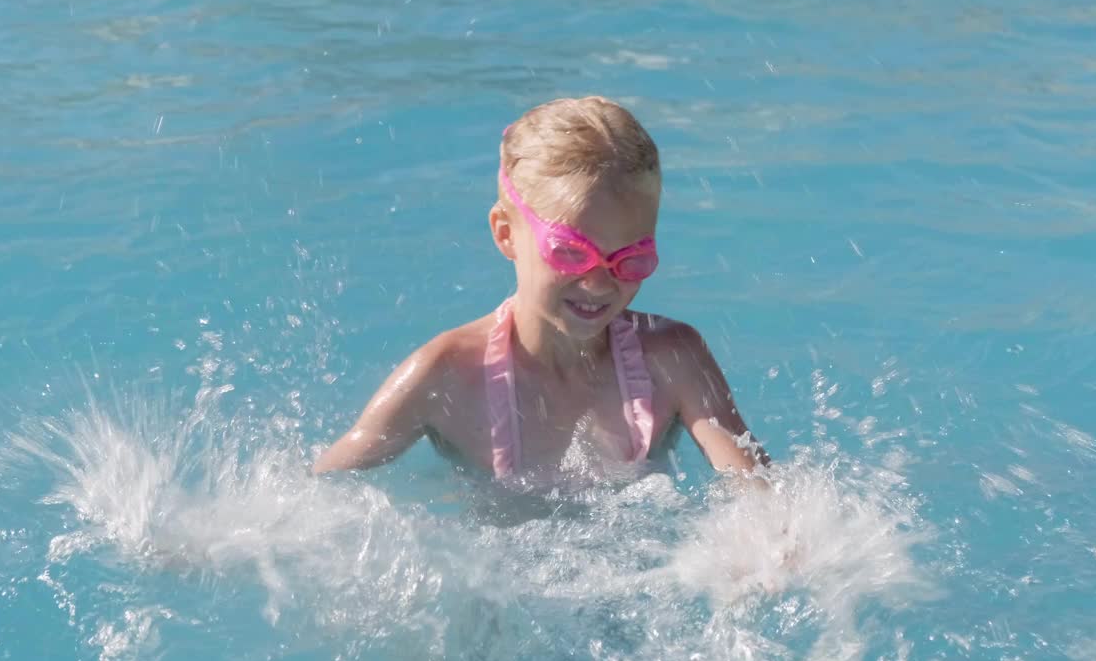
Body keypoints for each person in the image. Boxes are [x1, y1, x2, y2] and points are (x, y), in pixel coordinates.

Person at [313, 96, 768, 492]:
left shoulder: (673, 360)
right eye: (571, 253)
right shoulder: (445, 375)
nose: (598, 283)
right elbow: (319, 493)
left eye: (630, 258)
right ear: (506, 234)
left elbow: (763, 496)